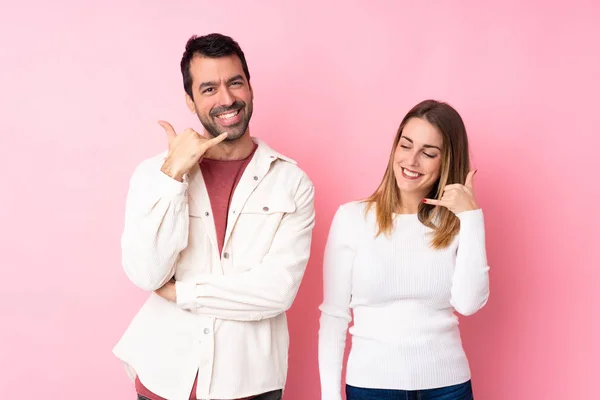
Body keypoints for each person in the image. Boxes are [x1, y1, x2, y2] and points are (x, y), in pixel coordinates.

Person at [113, 33, 315, 400]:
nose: (226, 99)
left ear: (250, 88)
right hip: (163, 378)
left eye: (234, 82)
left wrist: (182, 292)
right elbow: (146, 273)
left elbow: (277, 292)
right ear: (190, 101)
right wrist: (173, 175)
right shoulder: (153, 174)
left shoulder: (292, 182)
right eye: (209, 88)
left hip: (249, 384)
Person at [317, 100, 490, 400]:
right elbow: (334, 316)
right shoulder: (352, 218)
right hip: (371, 387)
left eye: (428, 153)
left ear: (446, 161)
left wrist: (471, 218)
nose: (411, 161)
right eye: (405, 145)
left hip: (448, 387)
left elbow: (468, 304)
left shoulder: (456, 223)